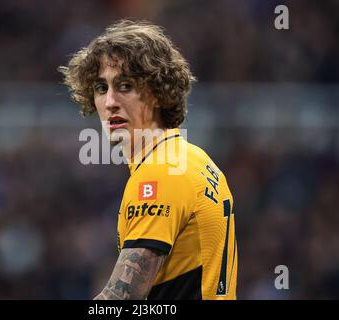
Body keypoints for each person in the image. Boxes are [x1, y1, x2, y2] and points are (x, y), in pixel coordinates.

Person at [59, 20, 237, 300]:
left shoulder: (160, 172)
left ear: (157, 92)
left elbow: (121, 299)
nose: (110, 102)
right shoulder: (193, 158)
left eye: (125, 86)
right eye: (101, 88)